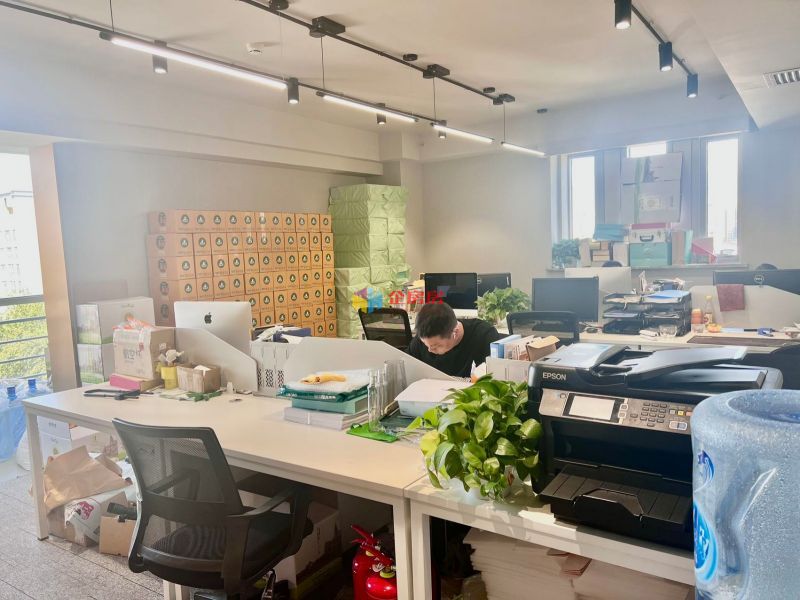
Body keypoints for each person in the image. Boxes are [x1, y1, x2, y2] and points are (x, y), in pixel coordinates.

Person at [408, 302, 503, 377]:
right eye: (425, 344)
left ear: (455, 333)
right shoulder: (425, 336)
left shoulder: (484, 336)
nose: (429, 350)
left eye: (436, 346)